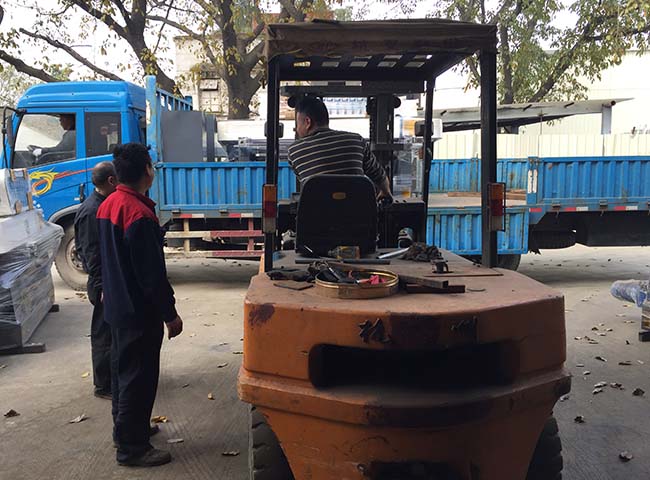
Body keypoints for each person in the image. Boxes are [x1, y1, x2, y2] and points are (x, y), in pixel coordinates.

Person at [97, 143, 183, 467]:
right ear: (147, 170)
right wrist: (170, 314)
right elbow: (152, 276)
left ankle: (127, 430)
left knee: (123, 374)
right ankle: (132, 448)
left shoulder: (109, 204)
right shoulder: (138, 214)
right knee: (139, 379)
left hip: (117, 308)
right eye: (152, 165)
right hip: (138, 313)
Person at [287, 96, 392, 200]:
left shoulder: (294, 151)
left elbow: (308, 185)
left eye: (297, 124)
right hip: (358, 210)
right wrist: (385, 192)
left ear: (307, 122)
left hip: (317, 211)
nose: (296, 129)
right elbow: (380, 176)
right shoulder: (357, 141)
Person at [73, 161, 117, 400]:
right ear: (111, 181)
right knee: (104, 335)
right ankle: (103, 385)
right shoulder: (92, 211)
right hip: (102, 283)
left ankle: (113, 378)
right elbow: (92, 253)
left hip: (107, 280)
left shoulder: (101, 204)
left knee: (112, 333)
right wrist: (101, 287)